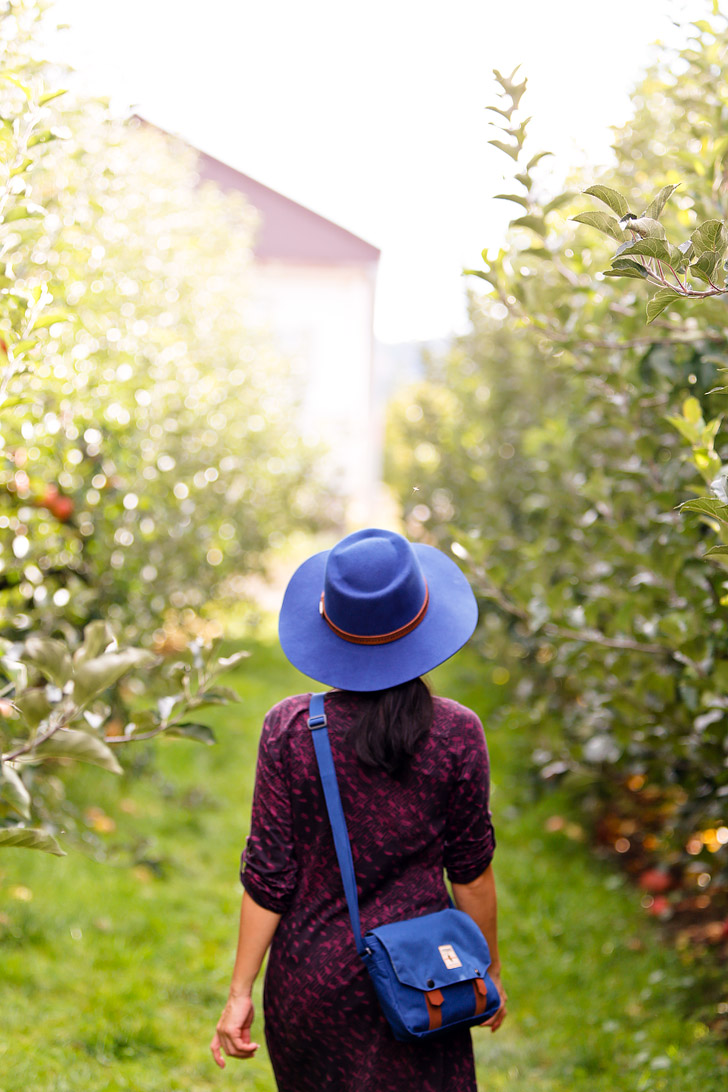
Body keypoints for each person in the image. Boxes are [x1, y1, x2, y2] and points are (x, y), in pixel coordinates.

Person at [210, 527, 507, 1090]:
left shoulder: (291, 729)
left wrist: (239, 993)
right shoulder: (457, 734)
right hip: (427, 980)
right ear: (423, 620)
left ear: (329, 626)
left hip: (310, 983)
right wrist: (485, 970)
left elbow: (269, 878)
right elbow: (471, 873)